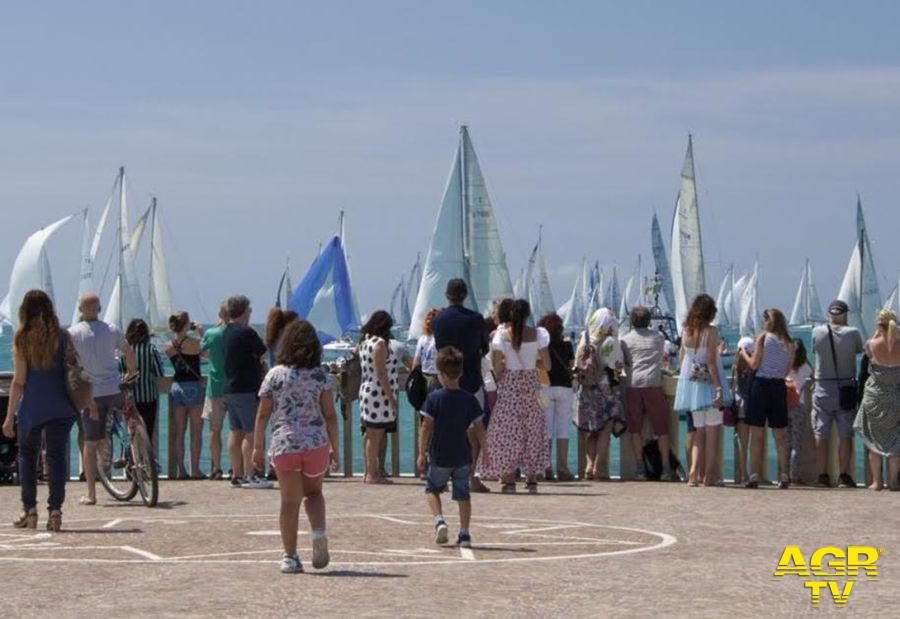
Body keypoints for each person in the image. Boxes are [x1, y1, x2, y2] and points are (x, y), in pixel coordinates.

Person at [252, 320, 338, 573]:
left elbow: (262, 414)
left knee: (289, 502)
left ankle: (290, 556)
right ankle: (319, 533)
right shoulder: (321, 375)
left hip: (285, 444)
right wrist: (335, 447)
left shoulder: (275, 375)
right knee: (314, 493)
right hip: (315, 444)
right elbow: (330, 415)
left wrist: (257, 447)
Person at [3, 291, 81, 531]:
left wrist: (8, 418)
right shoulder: (62, 336)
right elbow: (74, 370)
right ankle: (55, 511)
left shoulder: (23, 338)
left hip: (33, 407)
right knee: (56, 458)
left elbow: (19, 381)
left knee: (27, 456)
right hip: (61, 405)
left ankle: (30, 510)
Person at [68, 292, 137, 505]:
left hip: (92, 395)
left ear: (80, 310)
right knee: (131, 417)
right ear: (99, 309)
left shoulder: (72, 334)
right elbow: (128, 353)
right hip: (114, 388)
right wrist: (132, 373)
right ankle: (138, 448)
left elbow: (70, 366)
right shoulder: (112, 330)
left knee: (90, 443)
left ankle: (91, 493)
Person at [418, 346, 490, 547]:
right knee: (463, 495)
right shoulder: (469, 400)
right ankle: (465, 533)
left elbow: (426, 427)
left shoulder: (433, 399)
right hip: (463, 455)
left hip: (440, 455)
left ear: (439, 374)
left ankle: (439, 520)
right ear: (462, 373)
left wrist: (421, 452)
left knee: (432, 489)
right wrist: (485, 451)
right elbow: (479, 428)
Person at [484, 299, 550, 494]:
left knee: (506, 431)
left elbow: (496, 368)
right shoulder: (539, 334)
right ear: (528, 314)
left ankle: (509, 478)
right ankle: (531, 479)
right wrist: (535, 359)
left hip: (510, 386)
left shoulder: (501, 336)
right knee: (533, 430)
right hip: (531, 384)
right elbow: (548, 366)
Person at [432, 279, 490, 493]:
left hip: (445, 379)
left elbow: (438, 346)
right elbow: (484, 348)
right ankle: (472, 478)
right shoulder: (476, 319)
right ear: (465, 295)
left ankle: (441, 477)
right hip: (471, 379)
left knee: (444, 430)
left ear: (447, 295)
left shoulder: (438, 319)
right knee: (474, 430)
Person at [673, 294, 731, 487]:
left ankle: (693, 473)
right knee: (713, 431)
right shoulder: (711, 332)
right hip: (709, 383)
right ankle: (709, 475)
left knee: (698, 431)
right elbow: (712, 363)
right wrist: (719, 389)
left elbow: (684, 358)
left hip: (693, 385)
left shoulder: (686, 331)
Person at [740, 308, 796, 489]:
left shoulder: (763, 338)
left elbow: (754, 364)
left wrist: (743, 354)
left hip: (761, 385)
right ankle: (784, 475)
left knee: (757, 433)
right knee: (780, 435)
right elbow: (787, 370)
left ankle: (754, 474)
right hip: (779, 387)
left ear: (768, 321)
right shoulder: (790, 343)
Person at [811, 300, 864, 488]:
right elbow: (859, 350)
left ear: (829, 314)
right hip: (845, 389)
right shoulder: (853, 333)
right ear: (845, 315)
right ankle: (843, 476)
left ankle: (822, 476)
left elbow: (814, 349)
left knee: (821, 434)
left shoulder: (817, 331)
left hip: (822, 388)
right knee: (845, 435)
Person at [621, 305, 677, 481]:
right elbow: (662, 357)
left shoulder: (625, 340)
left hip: (633, 384)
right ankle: (666, 468)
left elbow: (625, 361)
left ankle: (640, 468)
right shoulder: (658, 338)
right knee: (661, 428)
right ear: (649, 320)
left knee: (635, 429)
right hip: (653, 383)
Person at [223, 295, 271, 489]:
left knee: (235, 432)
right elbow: (263, 351)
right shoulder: (247, 332)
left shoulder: (226, 331)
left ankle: (236, 473)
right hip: (245, 388)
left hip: (230, 388)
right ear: (244, 312)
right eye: (249, 311)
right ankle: (250, 475)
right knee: (251, 433)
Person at [575, 308, 626, 481]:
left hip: (588, 388)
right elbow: (617, 367)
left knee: (591, 430)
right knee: (606, 427)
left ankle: (589, 465)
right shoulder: (611, 341)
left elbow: (578, 362)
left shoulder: (585, 337)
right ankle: (598, 466)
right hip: (606, 389)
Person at [854, 309, 900, 491]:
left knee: (873, 440)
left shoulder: (871, 344)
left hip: (874, 398)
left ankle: (877, 481)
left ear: (878, 325)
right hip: (895, 397)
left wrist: (877, 333)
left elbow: (868, 358)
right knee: (896, 441)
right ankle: (894, 482)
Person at [358, 310, 399, 484]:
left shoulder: (365, 343)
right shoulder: (380, 345)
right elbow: (381, 372)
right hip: (378, 394)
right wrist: (391, 397)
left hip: (367, 390)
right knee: (375, 434)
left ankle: (368, 471)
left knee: (369, 434)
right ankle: (372, 474)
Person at [164, 311, 205, 479]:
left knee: (179, 432)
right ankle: (195, 469)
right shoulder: (195, 343)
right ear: (187, 324)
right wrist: (200, 332)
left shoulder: (168, 345)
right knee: (196, 432)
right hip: (193, 387)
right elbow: (207, 352)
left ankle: (181, 469)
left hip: (177, 386)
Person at [537, 313, 575, 482]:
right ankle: (563, 468)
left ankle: (546, 468)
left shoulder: (541, 345)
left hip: (545, 388)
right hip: (564, 389)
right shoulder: (567, 345)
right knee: (563, 429)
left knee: (546, 429)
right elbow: (571, 366)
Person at [121, 318, 165, 446]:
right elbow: (159, 372)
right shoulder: (151, 350)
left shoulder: (125, 351)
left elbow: (120, 371)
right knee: (148, 432)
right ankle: (148, 461)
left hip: (130, 398)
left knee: (131, 432)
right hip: (148, 397)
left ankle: (132, 461)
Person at [200, 302, 229, 479]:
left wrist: (202, 332)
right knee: (238, 430)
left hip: (216, 387)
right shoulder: (238, 333)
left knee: (215, 430)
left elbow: (202, 351)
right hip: (235, 387)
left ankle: (216, 467)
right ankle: (237, 467)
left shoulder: (212, 333)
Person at [786, 339, 814, 485]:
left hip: (784, 407)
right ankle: (794, 475)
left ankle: (783, 474)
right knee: (796, 443)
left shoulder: (785, 366)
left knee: (785, 443)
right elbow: (814, 375)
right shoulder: (805, 367)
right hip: (799, 406)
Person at [731, 337, 756, 484]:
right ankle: (752, 473)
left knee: (743, 443)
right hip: (752, 404)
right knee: (755, 440)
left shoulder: (736, 366)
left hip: (739, 406)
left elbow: (734, 387)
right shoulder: (753, 366)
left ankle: (742, 474)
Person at [413, 307, 442, 392]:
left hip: (425, 374)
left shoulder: (422, 338)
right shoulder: (439, 338)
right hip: (434, 375)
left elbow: (416, 361)